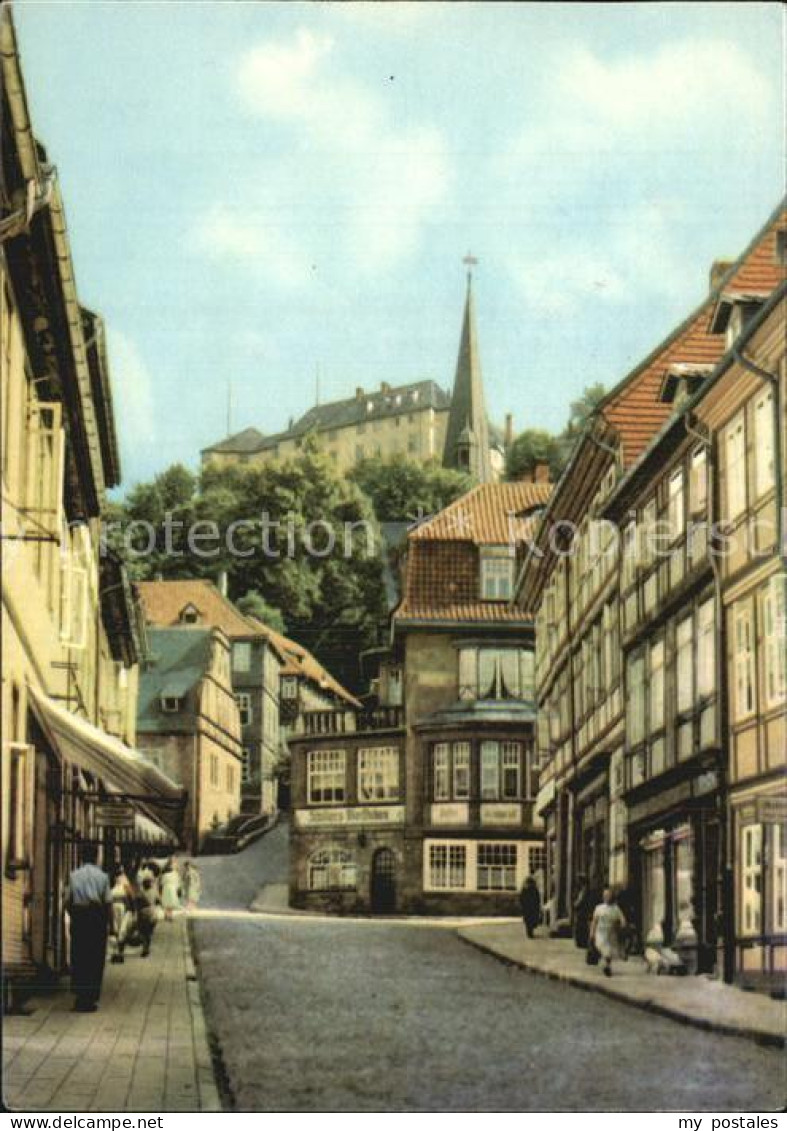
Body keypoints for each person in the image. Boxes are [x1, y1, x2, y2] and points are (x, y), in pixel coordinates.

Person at [65, 844, 112, 1012]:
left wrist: (75, 916)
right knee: (95, 958)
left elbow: (67, 901)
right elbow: (107, 902)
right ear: (95, 857)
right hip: (96, 918)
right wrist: (108, 923)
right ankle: (90, 997)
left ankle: (79, 996)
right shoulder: (103, 877)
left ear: (82, 857)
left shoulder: (73, 876)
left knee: (79, 956)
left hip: (80, 917)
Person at [590, 887, 627, 977]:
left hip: (611, 933)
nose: (606, 897)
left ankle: (607, 966)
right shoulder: (599, 908)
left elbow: (623, 920)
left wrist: (621, 926)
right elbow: (594, 921)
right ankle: (605, 964)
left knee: (609, 952)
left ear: (612, 897)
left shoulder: (616, 908)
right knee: (602, 947)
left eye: (608, 895)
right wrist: (592, 932)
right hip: (600, 932)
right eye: (605, 895)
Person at [109, 864, 135, 965]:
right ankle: (118, 953)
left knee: (119, 931)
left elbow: (130, 895)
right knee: (120, 931)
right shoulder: (123, 880)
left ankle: (118, 953)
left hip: (118, 907)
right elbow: (130, 895)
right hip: (119, 907)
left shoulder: (115, 881)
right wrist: (133, 909)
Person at [135, 859, 162, 957]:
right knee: (149, 933)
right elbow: (159, 901)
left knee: (143, 932)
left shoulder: (141, 893)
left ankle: (145, 948)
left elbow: (137, 902)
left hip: (142, 914)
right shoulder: (154, 892)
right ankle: (147, 948)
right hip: (152, 914)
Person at [572, 875, 594, 949]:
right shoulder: (585, 890)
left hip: (582, 912)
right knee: (581, 927)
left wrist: (575, 904)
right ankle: (582, 942)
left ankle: (581, 942)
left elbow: (581, 901)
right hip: (583, 911)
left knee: (581, 927)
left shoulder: (584, 890)